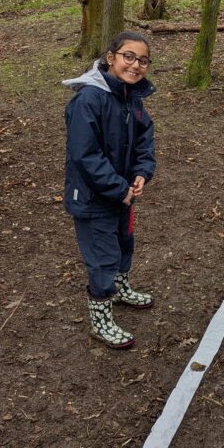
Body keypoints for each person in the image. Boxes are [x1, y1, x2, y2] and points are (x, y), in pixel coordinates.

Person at [63, 31, 157, 349]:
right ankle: (100, 320)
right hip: (94, 199)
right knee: (102, 257)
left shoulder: (132, 98)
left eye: (143, 60)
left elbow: (145, 139)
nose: (135, 65)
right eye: (128, 56)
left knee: (123, 244)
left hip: (123, 195)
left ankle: (121, 289)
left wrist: (142, 173)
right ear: (111, 57)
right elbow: (84, 154)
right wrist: (119, 188)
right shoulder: (89, 99)